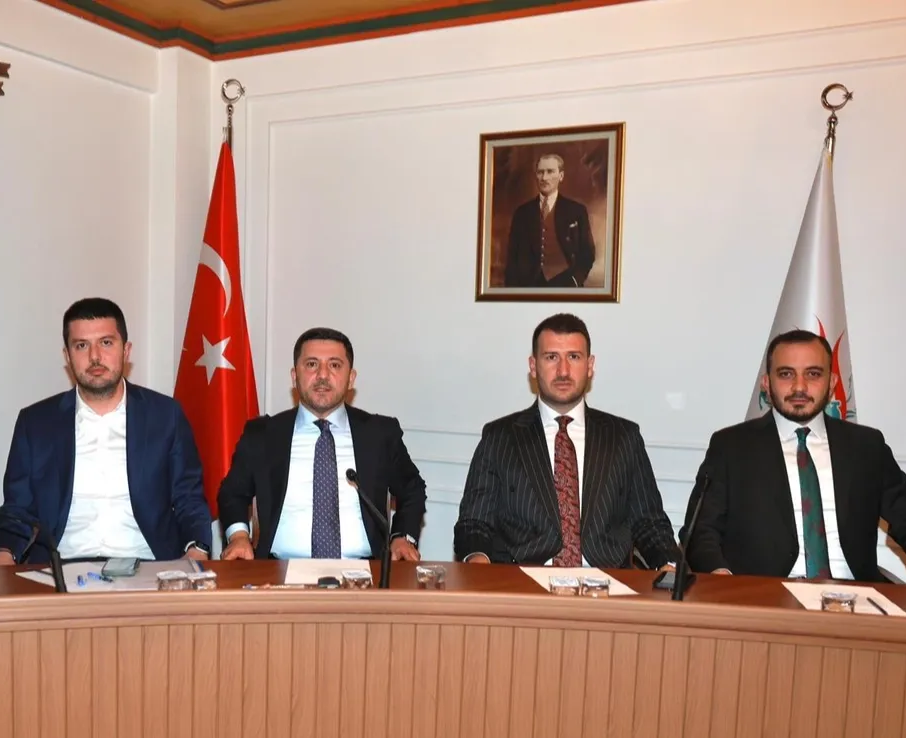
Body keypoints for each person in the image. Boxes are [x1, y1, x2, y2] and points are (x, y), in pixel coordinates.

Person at [685, 329, 906, 584]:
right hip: (765, 597)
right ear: (766, 383)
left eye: (813, 374)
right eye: (786, 374)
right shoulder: (731, 447)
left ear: (832, 382)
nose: (799, 387)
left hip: (855, 598)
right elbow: (700, 531)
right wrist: (723, 582)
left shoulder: (867, 447)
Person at [0, 298, 211, 565]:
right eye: (81, 345)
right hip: (61, 568)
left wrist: (197, 549)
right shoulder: (35, 423)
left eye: (106, 342)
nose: (94, 357)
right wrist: (2, 554)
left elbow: (188, 498)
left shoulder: (165, 416)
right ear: (67, 356)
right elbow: (17, 509)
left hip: (147, 566)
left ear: (126, 350)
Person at [454, 313, 678, 567]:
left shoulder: (623, 438)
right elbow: (474, 523)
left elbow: (649, 522)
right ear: (533, 366)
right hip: (523, 579)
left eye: (574, 357)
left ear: (590, 365)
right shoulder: (500, 438)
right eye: (551, 357)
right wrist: (479, 562)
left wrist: (668, 565)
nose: (563, 371)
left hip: (605, 581)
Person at [217, 327, 426, 561]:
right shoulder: (263, 434)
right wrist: (238, 536)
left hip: (365, 572)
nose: (323, 375)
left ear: (351, 378)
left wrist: (401, 537)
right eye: (312, 364)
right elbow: (232, 493)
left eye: (335, 365)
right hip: (279, 571)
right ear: (294, 376)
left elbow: (412, 489)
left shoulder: (379, 434)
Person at [503, 153, 595, 289]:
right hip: (529, 286)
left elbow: (587, 253)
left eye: (550, 172)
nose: (544, 178)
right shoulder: (522, 213)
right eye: (540, 172)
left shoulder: (577, 211)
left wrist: (575, 280)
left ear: (561, 176)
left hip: (566, 285)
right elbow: (512, 257)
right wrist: (513, 291)